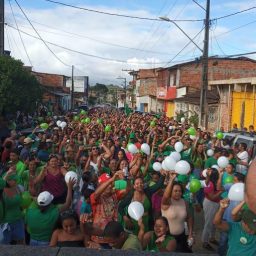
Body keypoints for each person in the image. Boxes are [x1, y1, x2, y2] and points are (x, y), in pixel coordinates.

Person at [25, 178, 75, 246]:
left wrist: (32, 193)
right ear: (50, 202)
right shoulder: (54, 213)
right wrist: (69, 187)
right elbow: (67, 204)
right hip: (47, 243)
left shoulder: (30, 212)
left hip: (32, 242)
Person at [161, 172, 193, 253]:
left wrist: (190, 234)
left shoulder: (184, 202)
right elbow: (165, 195)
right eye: (175, 191)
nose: (178, 193)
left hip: (182, 237)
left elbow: (189, 218)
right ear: (170, 191)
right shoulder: (166, 203)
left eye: (179, 191)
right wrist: (171, 180)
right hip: (168, 238)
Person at [201, 168, 223, 251]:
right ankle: (204, 242)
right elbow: (212, 197)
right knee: (208, 223)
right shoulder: (209, 184)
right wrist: (221, 191)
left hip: (215, 203)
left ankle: (212, 238)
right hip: (210, 203)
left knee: (214, 222)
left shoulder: (214, 182)